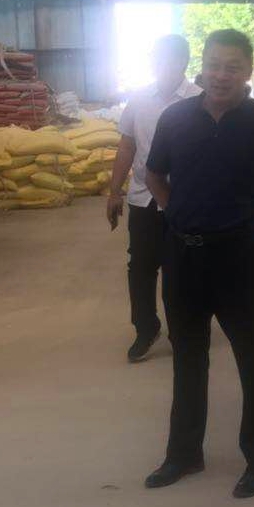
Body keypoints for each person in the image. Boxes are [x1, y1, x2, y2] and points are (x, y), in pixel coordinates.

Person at [142, 29, 254, 499]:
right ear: (202, 66)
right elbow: (153, 173)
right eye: (214, 65)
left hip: (240, 257)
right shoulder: (175, 118)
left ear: (248, 70)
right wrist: (176, 212)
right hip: (184, 257)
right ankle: (184, 453)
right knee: (187, 358)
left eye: (232, 67)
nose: (220, 75)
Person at [107, 35, 200, 362]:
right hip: (143, 199)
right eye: (157, 59)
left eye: (170, 59)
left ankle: (182, 329)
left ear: (183, 62)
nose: (163, 66)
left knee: (181, 269)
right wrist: (114, 190)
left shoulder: (199, 100)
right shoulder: (139, 100)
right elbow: (127, 146)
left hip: (184, 201)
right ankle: (145, 328)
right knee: (140, 268)